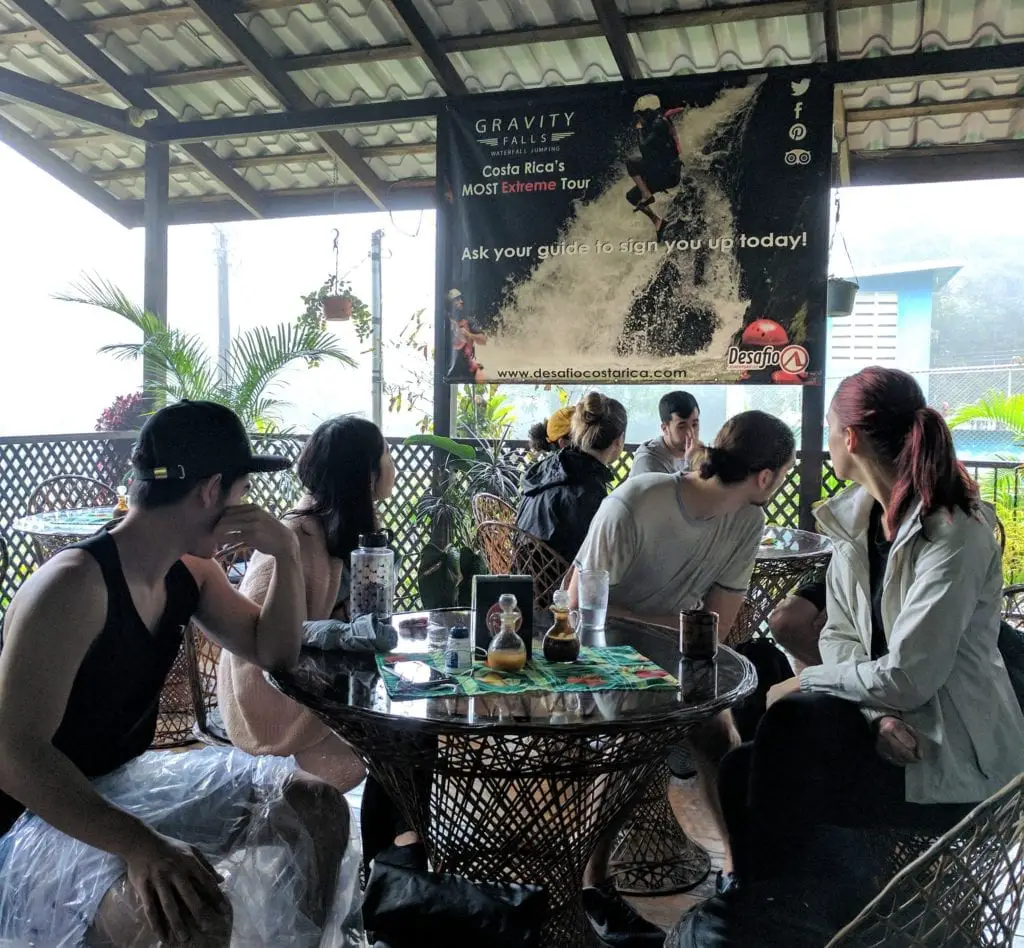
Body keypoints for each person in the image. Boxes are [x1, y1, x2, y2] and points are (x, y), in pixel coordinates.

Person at [0, 401, 351, 947]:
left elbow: (275, 653)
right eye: (239, 492)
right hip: (45, 816)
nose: (244, 505)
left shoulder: (190, 571)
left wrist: (284, 552)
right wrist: (141, 846)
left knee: (320, 809)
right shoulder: (73, 587)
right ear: (211, 491)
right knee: (192, 917)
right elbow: (13, 756)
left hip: (128, 786)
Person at [719, 367, 1024, 887]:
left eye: (829, 431)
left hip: (951, 761)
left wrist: (808, 679)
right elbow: (839, 638)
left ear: (851, 437)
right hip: (893, 730)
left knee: (788, 731)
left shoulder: (954, 535)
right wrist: (876, 715)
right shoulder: (857, 525)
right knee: (739, 768)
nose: (827, 443)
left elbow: (910, 677)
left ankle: (774, 910)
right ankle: (774, 907)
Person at [570, 410, 796, 881]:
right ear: (766, 476)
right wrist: (663, 623)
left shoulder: (746, 522)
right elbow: (581, 609)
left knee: (719, 735)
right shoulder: (639, 501)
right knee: (639, 733)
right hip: (601, 647)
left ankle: (737, 870)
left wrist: (661, 623)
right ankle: (593, 882)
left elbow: (713, 626)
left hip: (673, 649)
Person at [517, 394, 626, 563]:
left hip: (523, 578)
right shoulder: (589, 490)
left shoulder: (546, 470)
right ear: (619, 440)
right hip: (561, 586)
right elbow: (596, 560)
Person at [625, 94, 685, 238]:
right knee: (632, 196)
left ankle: (646, 194)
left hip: (667, 173)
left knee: (631, 162)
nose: (640, 118)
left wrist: (639, 129)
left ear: (649, 111)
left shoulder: (659, 123)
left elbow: (644, 147)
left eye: (641, 114)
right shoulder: (656, 122)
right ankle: (658, 222)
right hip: (659, 172)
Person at [629, 390, 704, 478]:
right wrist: (692, 463)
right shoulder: (648, 461)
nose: (691, 434)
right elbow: (678, 490)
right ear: (665, 428)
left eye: (695, 425)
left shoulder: (699, 452)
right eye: (682, 427)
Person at [446, 288, 487, 382]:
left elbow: (484, 340)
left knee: (481, 375)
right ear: (450, 303)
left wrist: (469, 335)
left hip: (469, 368)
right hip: (451, 370)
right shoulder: (445, 322)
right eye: (457, 299)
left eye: (460, 298)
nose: (461, 301)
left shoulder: (469, 320)